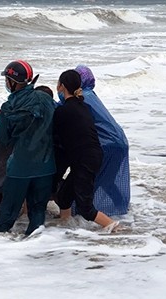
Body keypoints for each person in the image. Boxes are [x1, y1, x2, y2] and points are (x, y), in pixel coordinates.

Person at [0, 60, 56, 236]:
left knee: (7, 216)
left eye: (6, 80)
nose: (5, 83)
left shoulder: (8, 107)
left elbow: (1, 136)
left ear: (12, 82)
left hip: (20, 169)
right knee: (38, 216)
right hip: (46, 166)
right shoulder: (46, 99)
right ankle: (33, 253)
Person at [53, 69, 118, 232]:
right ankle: (65, 227)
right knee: (64, 196)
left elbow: (57, 138)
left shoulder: (63, 111)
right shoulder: (82, 106)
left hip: (85, 159)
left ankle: (114, 228)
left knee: (85, 207)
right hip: (91, 156)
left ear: (61, 86)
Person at [74, 64, 130, 216]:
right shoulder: (91, 95)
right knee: (108, 180)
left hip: (106, 143)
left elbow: (64, 109)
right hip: (120, 141)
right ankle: (121, 208)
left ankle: (82, 212)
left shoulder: (82, 97)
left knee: (92, 180)